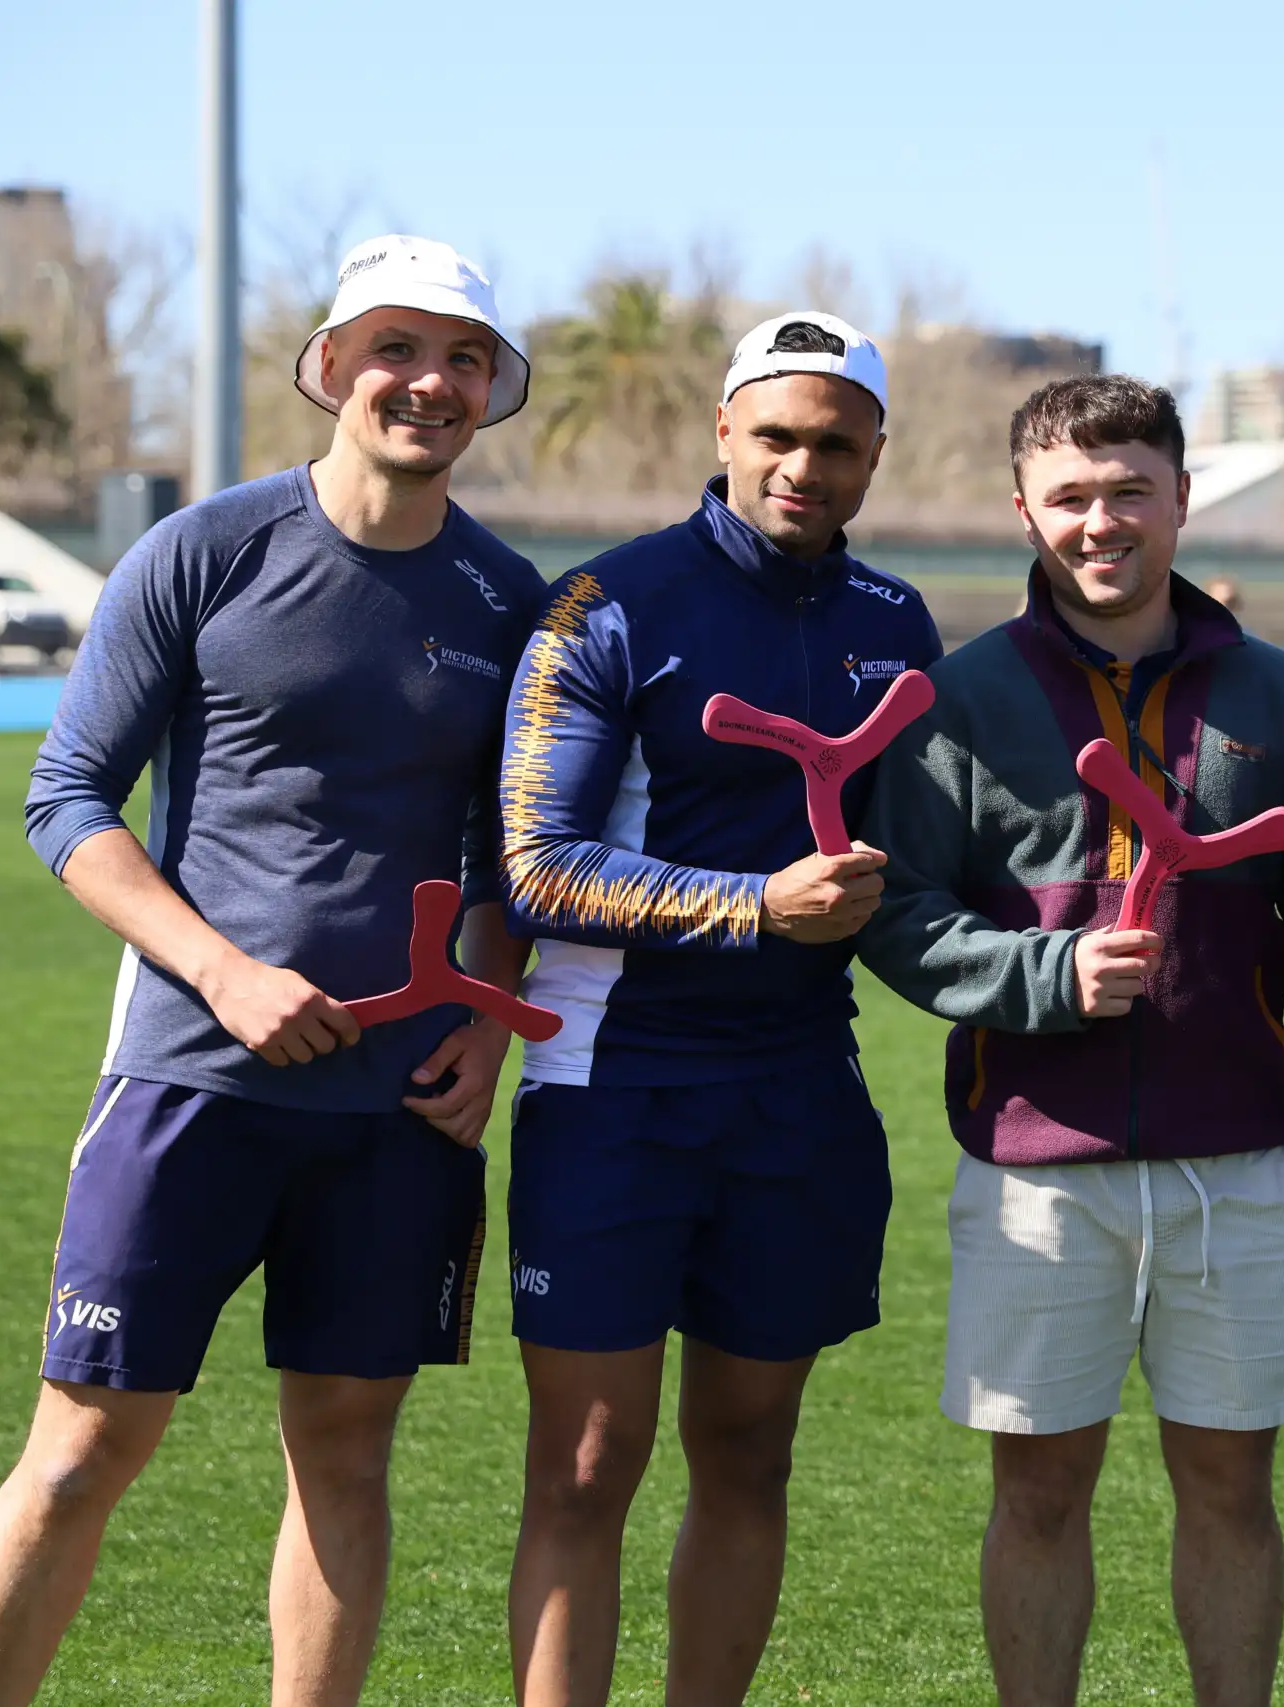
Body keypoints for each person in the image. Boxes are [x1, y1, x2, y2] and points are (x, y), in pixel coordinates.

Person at [0, 236, 547, 1707]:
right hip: (187, 1078)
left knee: (345, 1452)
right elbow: (68, 798)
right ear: (333, 365)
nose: (432, 380)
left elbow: (516, 849)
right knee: (85, 1445)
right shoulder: (208, 548)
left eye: (465, 356)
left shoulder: (510, 599)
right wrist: (221, 972)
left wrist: (484, 1019)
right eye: (399, 347)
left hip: (397, 1109)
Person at [858, 375, 1284, 1707]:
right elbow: (896, 914)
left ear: (1182, 499)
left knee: (1231, 1489)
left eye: (1131, 491)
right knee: (1038, 1490)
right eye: (1073, 497)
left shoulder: (1279, 695)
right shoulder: (959, 695)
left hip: (1251, 1168)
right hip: (1037, 1169)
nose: (1104, 522)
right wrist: (1041, 973)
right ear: (1024, 510)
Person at [496, 311, 940, 1707]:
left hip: (798, 1088)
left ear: (875, 455)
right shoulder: (604, 605)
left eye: (836, 443)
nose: (803, 466)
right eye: (778, 436)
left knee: (751, 1450)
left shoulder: (895, 623)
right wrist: (757, 904)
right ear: (723, 432)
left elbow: (918, 863)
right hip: (610, 1090)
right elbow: (534, 863)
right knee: (584, 1461)